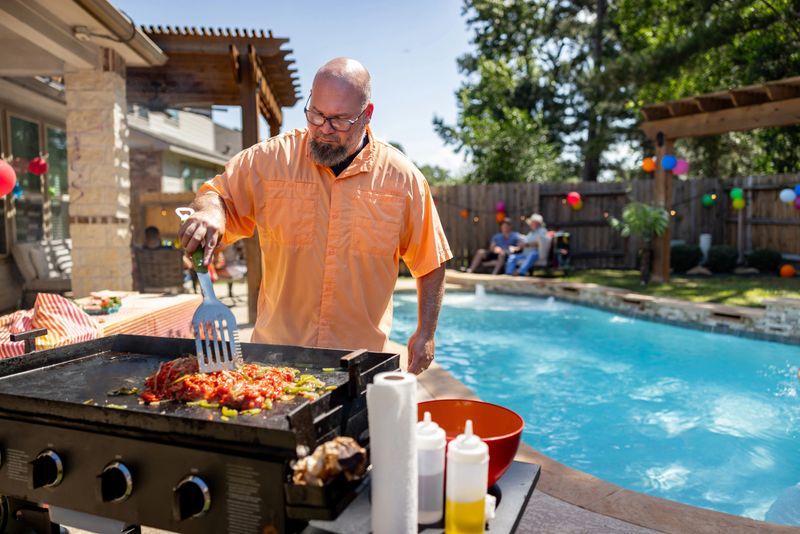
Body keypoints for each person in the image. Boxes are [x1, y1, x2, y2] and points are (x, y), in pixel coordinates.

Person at [178, 57, 451, 374]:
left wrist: (426, 333)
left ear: (367, 115)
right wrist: (210, 211)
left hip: (359, 362)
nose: (323, 129)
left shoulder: (403, 180)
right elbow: (216, 193)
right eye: (316, 114)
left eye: (339, 120)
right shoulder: (270, 160)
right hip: (275, 359)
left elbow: (431, 260)